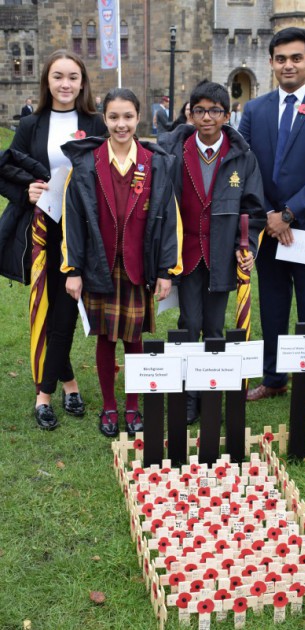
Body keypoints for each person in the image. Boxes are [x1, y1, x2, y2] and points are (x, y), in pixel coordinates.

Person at [238, 27, 305, 419]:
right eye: (281, 58)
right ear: (271, 62)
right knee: (273, 306)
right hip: (268, 231)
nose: (288, 64)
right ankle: (273, 377)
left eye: (296, 57)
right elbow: (246, 164)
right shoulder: (255, 109)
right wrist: (269, 215)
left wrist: (286, 215)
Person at [61, 87, 181, 438]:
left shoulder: (155, 162)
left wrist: (165, 271)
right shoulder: (87, 163)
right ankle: (109, 407)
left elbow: (168, 220)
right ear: (104, 117)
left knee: (135, 341)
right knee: (105, 338)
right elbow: (73, 219)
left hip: (138, 266)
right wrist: (73, 270)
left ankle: (132, 406)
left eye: (127, 116)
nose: (121, 124)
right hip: (101, 265)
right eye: (113, 117)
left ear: (139, 116)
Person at [0, 50, 107, 430]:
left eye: (73, 77)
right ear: (47, 81)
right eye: (58, 76)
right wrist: (25, 191)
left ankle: (52, 388)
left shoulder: (96, 122)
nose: (65, 84)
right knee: (47, 308)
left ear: (83, 82)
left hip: (79, 233)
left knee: (65, 309)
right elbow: (9, 166)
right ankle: (58, 388)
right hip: (42, 230)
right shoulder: (32, 123)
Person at [159, 80, 266, 424]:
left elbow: (254, 210)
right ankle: (188, 395)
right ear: (190, 114)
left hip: (221, 254)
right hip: (186, 253)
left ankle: (211, 392)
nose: (207, 118)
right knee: (189, 324)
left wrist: (246, 247)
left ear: (226, 115)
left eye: (215, 111)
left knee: (215, 328)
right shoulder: (172, 153)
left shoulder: (242, 156)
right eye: (200, 110)